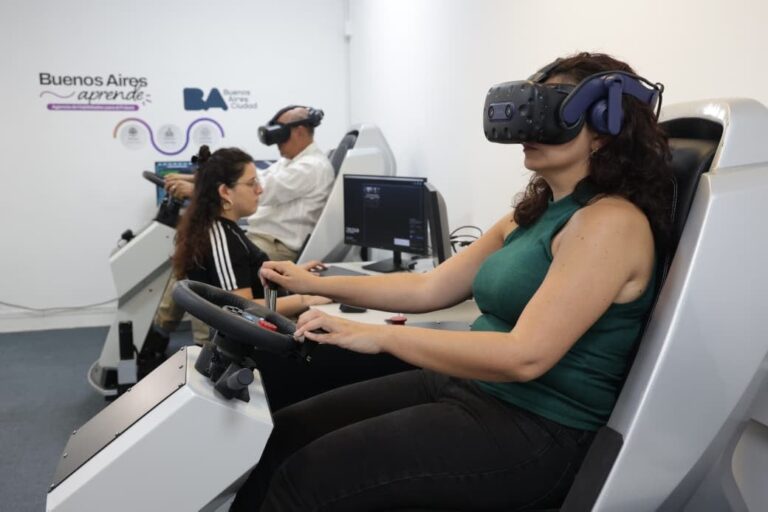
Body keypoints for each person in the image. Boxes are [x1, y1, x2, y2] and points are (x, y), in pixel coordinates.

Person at [229, 52, 674, 511]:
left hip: (536, 426)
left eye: (550, 114)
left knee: (306, 480)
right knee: (286, 434)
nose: (527, 131)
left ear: (603, 126)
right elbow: (430, 288)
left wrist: (377, 337)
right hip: (472, 386)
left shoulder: (610, 224)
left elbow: (525, 356)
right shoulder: (536, 212)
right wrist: (313, 284)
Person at [171, 145, 329, 320]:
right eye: (251, 183)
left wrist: (288, 275)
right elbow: (239, 309)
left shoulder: (226, 228)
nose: (259, 190)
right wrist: (305, 299)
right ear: (224, 191)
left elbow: (249, 280)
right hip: (258, 340)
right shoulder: (221, 238)